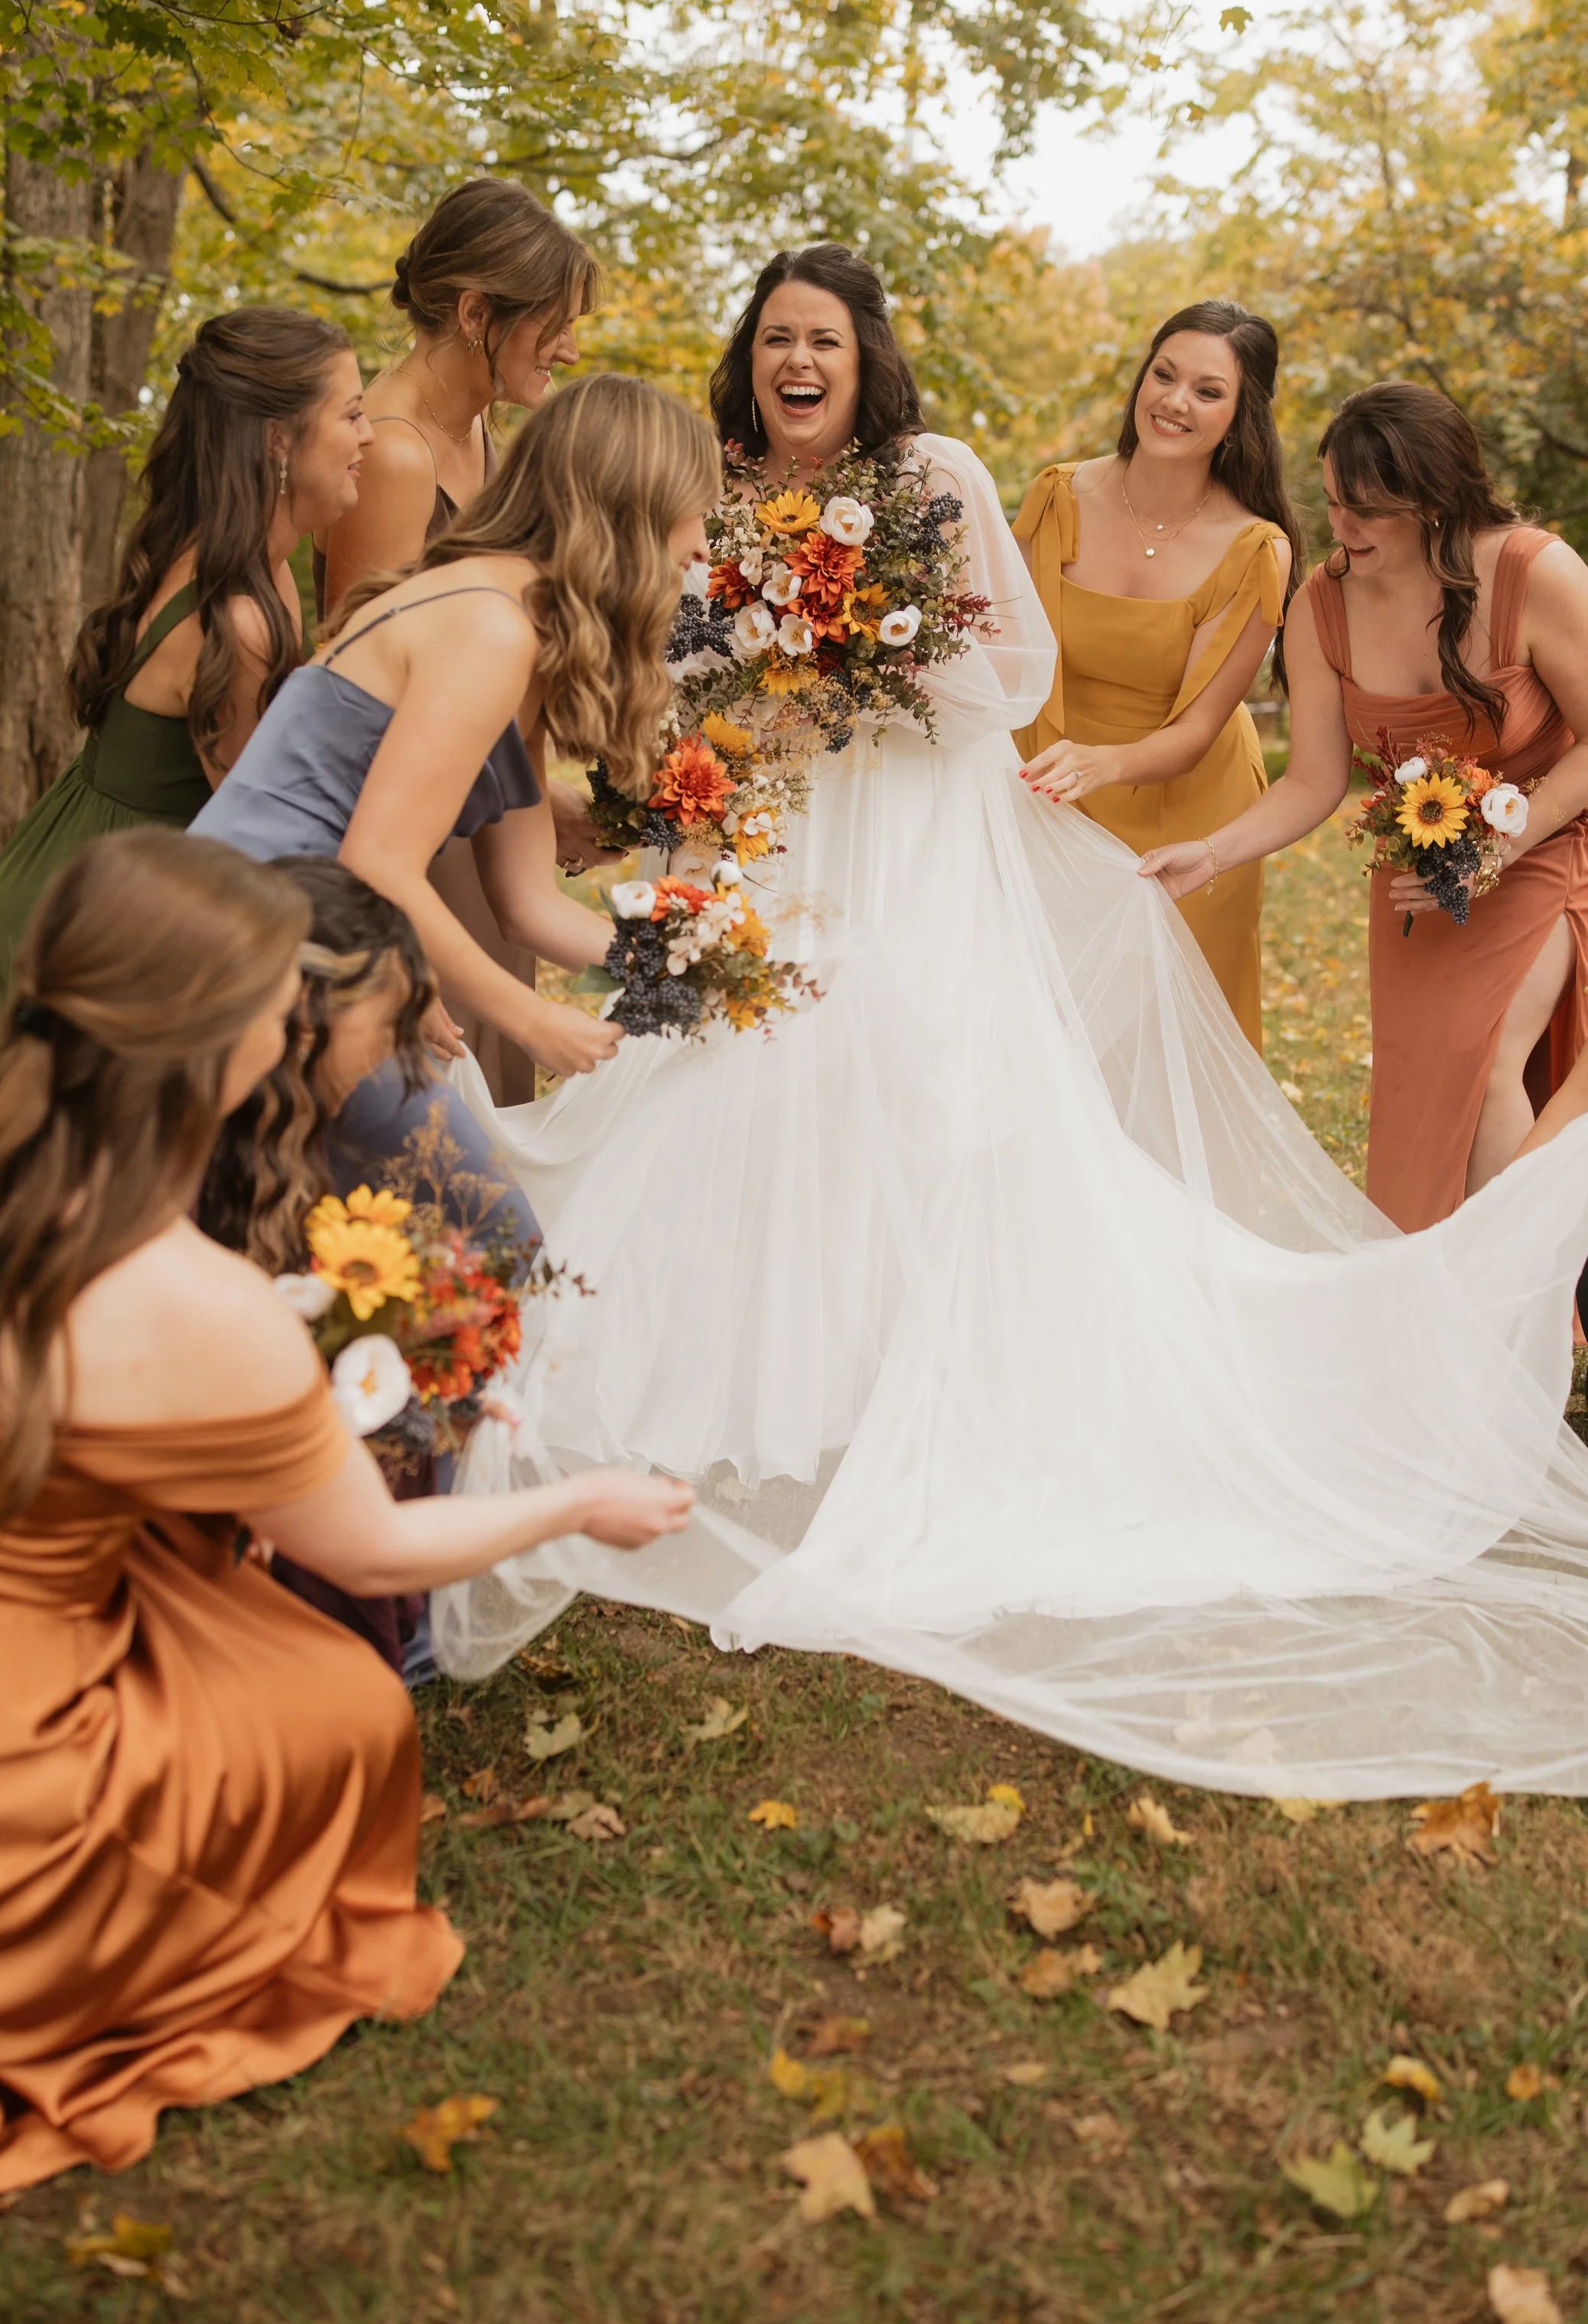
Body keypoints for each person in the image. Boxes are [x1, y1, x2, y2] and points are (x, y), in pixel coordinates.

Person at [430, 248, 1588, 1807]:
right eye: (771, 336)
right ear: (748, 359)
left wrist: (867, 662)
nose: (792, 358)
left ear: (863, 355)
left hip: (913, 838)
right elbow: (673, 663)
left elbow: (1012, 669)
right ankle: (761, 1398)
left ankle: (920, 1386)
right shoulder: (697, 479)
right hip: (775, 829)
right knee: (740, 1089)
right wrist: (755, 695)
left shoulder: (935, 473)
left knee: (922, 1099)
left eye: (819, 337)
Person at [0, 830, 688, 2195]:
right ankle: (76, 1939)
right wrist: (584, 1499)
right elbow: (369, 1547)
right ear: (221, 1043)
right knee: (340, 1710)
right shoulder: (192, 1297)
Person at [193, 370, 718, 1090]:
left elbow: (528, 906)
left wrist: (711, 972)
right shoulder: (488, 625)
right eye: (697, 509)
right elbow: (378, 866)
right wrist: (530, 1018)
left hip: (333, 942)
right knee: (468, 1201)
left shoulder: (527, 629)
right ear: (635, 509)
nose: (702, 542)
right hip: (246, 946)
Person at [1143, 383, 1588, 1229]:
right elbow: (1313, 780)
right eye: (1336, 503)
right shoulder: (1322, 602)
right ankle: (1446, 1289)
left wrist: (1505, 842)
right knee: (1426, 1102)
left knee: (1490, 1066)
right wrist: (1210, 853)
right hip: (1424, 882)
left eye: (1369, 512)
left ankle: (1505, 1311)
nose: (1342, 530)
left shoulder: (1536, 571)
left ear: (1433, 501)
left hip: (1555, 840)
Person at [0, 307, 372, 1063]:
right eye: (351, 414)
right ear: (277, 440)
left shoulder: (262, 566)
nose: (369, 435)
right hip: (101, 912)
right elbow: (274, 840)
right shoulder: (237, 618)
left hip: (118, 873)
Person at [196, 853, 536, 1675]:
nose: (399, 1048)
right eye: (385, 1024)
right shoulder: (191, 1104)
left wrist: (425, 1342)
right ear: (301, 1015)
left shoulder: (388, 1091)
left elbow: (511, 1239)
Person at [321, 179, 601, 1102]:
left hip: (478, 826)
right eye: (553, 322)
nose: (568, 346)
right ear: (477, 313)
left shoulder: (484, 432)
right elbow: (352, 714)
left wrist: (540, 792)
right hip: (407, 846)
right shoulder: (392, 456)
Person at [1012, 300, 1300, 1045]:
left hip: (1190, 803)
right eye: (1163, 375)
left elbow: (1198, 730)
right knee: (1045, 1040)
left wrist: (1103, 762)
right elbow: (998, 646)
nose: (1174, 401)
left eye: (1207, 391)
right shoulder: (1056, 496)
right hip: (1054, 791)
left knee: (1171, 1048)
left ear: (1241, 416)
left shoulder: (1253, 549)